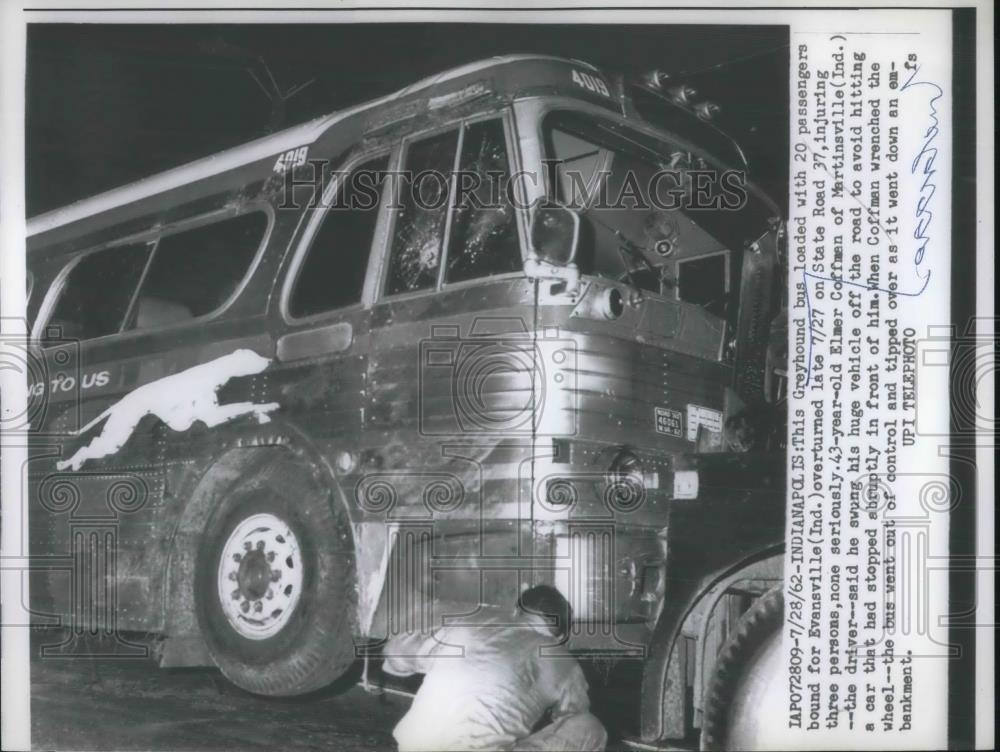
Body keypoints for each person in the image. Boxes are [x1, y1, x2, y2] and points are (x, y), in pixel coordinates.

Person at [381, 585, 607, 752]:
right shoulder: (561, 659)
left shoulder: (467, 623)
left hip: (414, 747)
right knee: (590, 728)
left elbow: (396, 653)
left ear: (517, 611)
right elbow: (573, 716)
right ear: (561, 634)